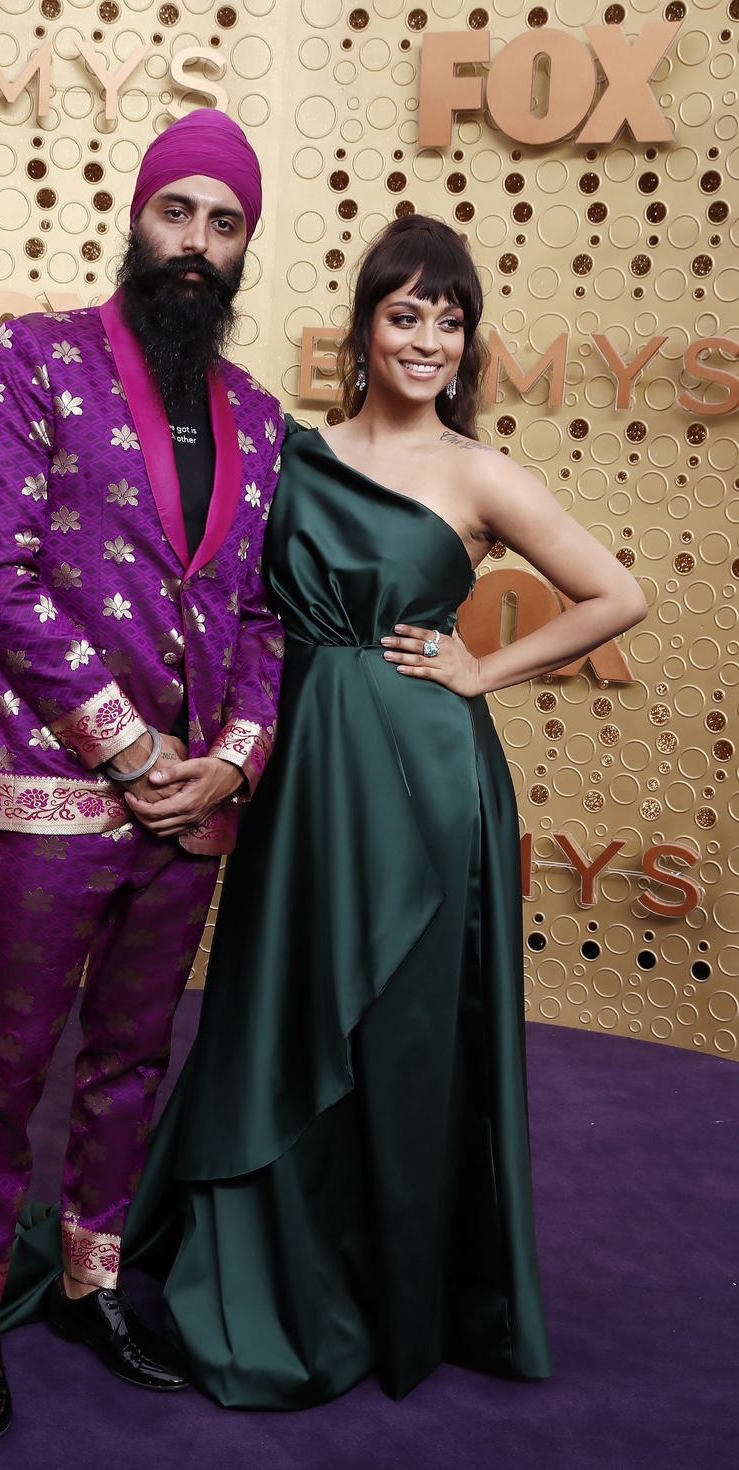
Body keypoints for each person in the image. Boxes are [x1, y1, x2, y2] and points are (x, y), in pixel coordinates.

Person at [122, 214, 648, 1409]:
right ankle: (270, 1265)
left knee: (403, 1039)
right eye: (403, 313)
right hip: (300, 767)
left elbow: (617, 593)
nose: (425, 339)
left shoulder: (479, 472)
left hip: (423, 784)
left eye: (447, 321)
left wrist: (482, 670)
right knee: (285, 999)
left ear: (466, 346)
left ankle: (397, 1283)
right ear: (364, 328)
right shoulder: (289, 451)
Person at [0, 109, 286, 1440]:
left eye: (224, 222)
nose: (196, 243)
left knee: (132, 1056)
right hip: (58, 785)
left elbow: (261, 613)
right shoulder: (37, 356)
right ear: (138, 217)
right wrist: (131, 751)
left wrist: (228, 760)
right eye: (178, 212)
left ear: (247, 244)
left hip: (192, 811)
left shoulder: (260, 415)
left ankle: (92, 1280)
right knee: (10, 1057)